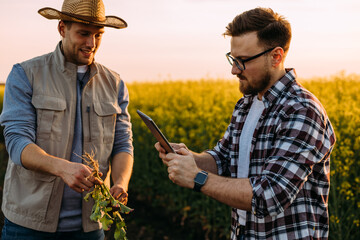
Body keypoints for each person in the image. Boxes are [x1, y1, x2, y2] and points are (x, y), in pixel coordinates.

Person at [155, 7, 336, 240]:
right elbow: (223, 160)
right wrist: (190, 158)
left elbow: (269, 195)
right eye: (232, 59)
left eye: (242, 61)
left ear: (276, 56)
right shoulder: (246, 104)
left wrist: (198, 178)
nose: (233, 70)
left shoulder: (301, 110)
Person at [0, 0, 133, 239]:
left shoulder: (115, 84)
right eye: (83, 34)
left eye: (98, 35)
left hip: (91, 227)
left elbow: (123, 144)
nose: (91, 43)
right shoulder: (26, 74)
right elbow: (17, 142)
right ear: (62, 28)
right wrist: (63, 168)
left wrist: (121, 183)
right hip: (28, 226)